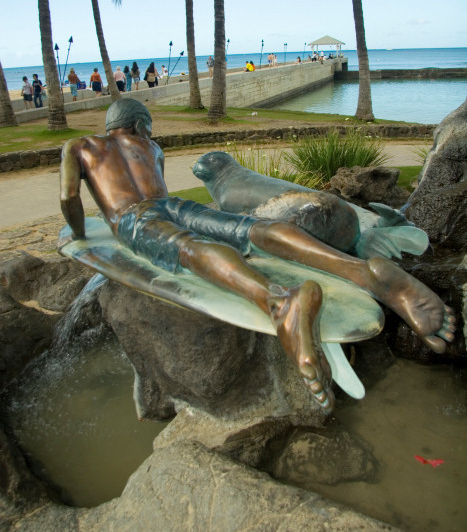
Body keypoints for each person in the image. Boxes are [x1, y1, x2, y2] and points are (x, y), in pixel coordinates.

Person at [60, 100, 455, 413]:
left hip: (135, 218)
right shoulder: (151, 147)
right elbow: (157, 193)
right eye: (147, 126)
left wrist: (80, 232)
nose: (149, 132)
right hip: (175, 206)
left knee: (188, 249)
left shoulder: (81, 147)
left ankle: (279, 302)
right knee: (252, 230)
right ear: (139, 125)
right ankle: (364, 273)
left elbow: (68, 197)